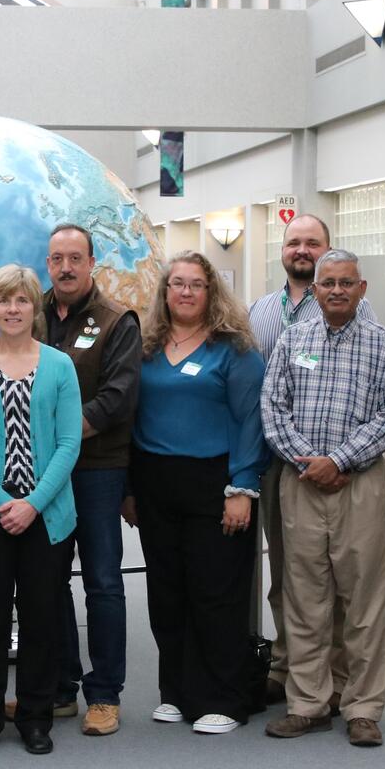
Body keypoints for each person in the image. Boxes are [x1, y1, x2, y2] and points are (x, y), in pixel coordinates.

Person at [261, 249, 385, 748]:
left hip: (358, 485)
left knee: (363, 599)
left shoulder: (384, 344)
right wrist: (309, 461)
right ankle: (308, 703)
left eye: (347, 283)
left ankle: (362, 707)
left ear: (362, 289)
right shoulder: (292, 339)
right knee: (304, 596)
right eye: (328, 283)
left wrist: (339, 461)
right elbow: (272, 407)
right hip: (300, 481)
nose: (337, 290)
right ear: (315, 290)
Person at [126, 252, 267, 735]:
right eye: (177, 284)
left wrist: (242, 487)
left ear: (212, 293)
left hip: (216, 482)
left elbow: (250, 422)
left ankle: (224, 698)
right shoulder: (146, 346)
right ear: (164, 291)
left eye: (196, 285)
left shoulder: (236, 350)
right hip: (155, 481)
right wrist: (130, 489)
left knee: (216, 593)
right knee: (168, 593)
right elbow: (131, 418)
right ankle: (177, 693)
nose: (185, 292)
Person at [0, 265, 80, 755]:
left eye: (22, 300)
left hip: (47, 515)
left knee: (42, 617)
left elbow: (68, 444)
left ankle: (35, 718)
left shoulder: (60, 366)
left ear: (34, 307)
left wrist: (33, 504)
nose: (13, 309)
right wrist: (5, 503)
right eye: (3, 301)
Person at [248, 214, 376, 709]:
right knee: (289, 573)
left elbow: (375, 392)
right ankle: (288, 665)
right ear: (282, 250)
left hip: (343, 469)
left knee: (342, 575)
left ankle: (338, 674)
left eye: (313, 243)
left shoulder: (359, 312)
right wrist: (295, 454)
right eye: (294, 242)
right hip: (279, 463)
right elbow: (260, 393)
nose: (302, 250)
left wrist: (337, 459)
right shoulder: (259, 312)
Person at [42, 223, 141, 737]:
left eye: (75, 257)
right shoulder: (29, 313)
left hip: (97, 471)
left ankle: (104, 695)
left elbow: (118, 396)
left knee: (103, 583)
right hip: (39, 478)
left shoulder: (116, 320)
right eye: (56, 257)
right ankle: (59, 689)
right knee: (48, 581)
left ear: (91, 263)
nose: (65, 267)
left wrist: (61, 435)